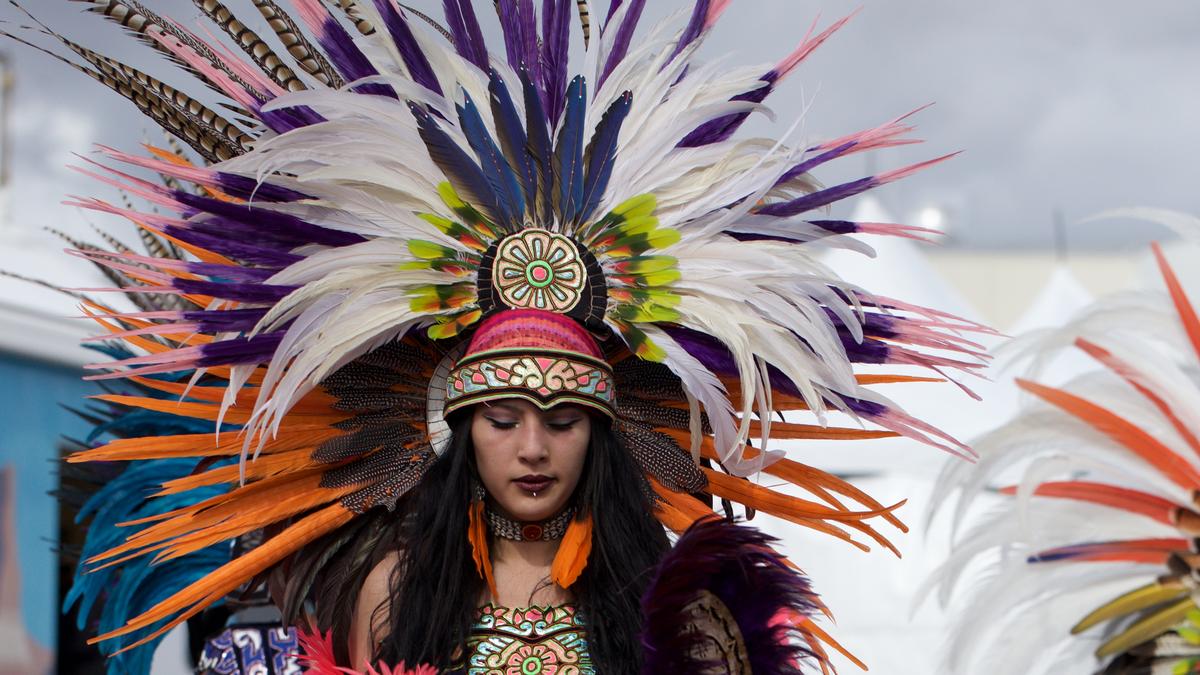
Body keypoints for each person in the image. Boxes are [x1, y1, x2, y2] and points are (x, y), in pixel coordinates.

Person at [18, 0, 987, 672]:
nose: (532, 446)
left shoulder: (676, 593)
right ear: (456, 426)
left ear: (606, 431)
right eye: (505, 416)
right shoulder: (391, 590)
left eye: (563, 418)